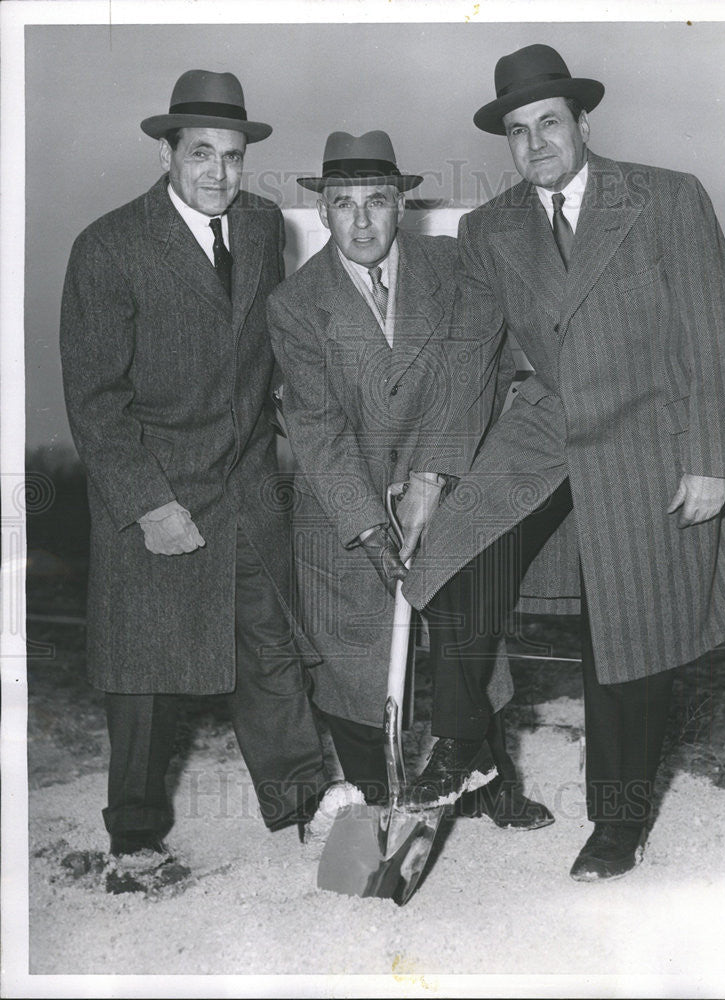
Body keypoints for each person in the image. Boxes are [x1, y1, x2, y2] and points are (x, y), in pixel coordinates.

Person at [401, 44, 725, 880]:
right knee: (454, 564)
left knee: (628, 640)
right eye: (517, 132)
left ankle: (618, 827)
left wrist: (709, 458)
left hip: (650, 438)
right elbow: (473, 361)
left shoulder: (666, 198)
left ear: (583, 122)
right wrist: (430, 476)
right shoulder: (489, 230)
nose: (534, 144)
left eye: (549, 123)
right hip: (546, 431)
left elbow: (715, 332)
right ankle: (465, 744)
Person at [60, 69, 329, 867]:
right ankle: (135, 839)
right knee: (143, 674)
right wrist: (148, 503)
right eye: (202, 153)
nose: (219, 172)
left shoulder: (259, 226)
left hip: (247, 488)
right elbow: (96, 401)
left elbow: (270, 348)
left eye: (234, 156)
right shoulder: (107, 246)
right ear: (168, 152)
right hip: (157, 489)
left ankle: (304, 810)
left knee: (272, 652)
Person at [268, 130, 551, 828]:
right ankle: (378, 809)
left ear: (402, 206)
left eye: (376, 202)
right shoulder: (296, 305)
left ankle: (486, 782)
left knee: (466, 640)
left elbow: (475, 365)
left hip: (445, 477)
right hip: (344, 502)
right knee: (355, 659)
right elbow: (318, 427)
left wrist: (433, 473)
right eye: (343, 204)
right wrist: (367, 524)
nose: (360, 221)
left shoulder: (454, 267)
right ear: (324, 212)